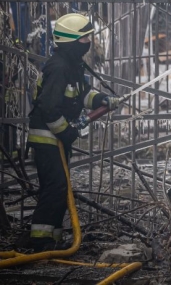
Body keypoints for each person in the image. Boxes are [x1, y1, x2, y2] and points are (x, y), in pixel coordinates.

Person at [22, 13, 120, 252]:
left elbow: (83, 95)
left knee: (59, 186)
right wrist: (66, 132)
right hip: (47, 139)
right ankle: (40, 241)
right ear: (72, 41)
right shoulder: (58, 68)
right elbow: (48, 107)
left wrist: (103, 99)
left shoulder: (72, 65)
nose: (88, 42)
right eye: (85, 38)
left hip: (56, 138)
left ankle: (52, 239)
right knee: (55, 186)